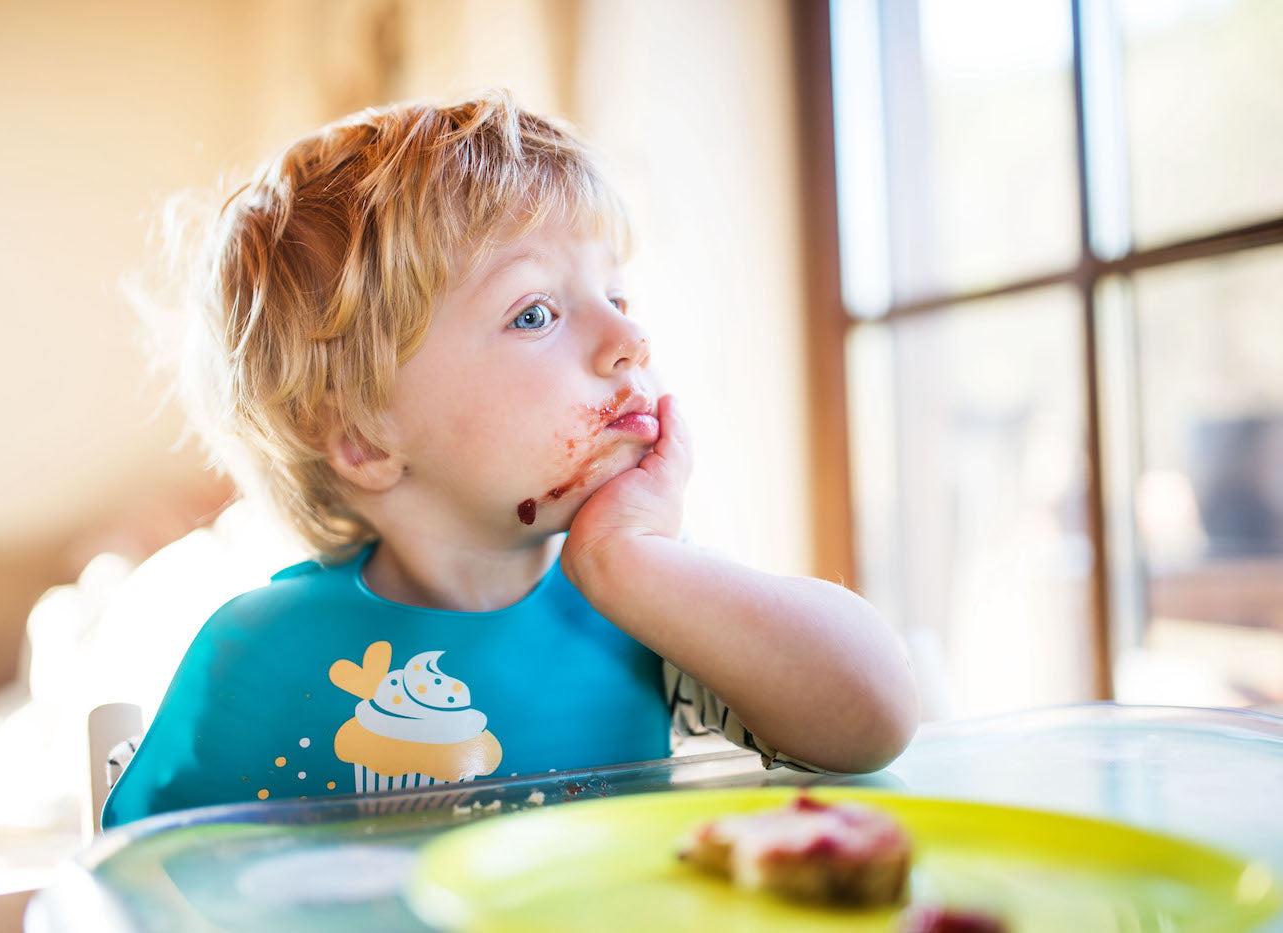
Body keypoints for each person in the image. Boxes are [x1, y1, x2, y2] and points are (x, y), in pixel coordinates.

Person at [102, 89, 918, 829]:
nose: (630, 340)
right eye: (535, 313)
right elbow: (136, 882)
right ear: (364, 439)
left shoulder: (644, 601)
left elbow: (874, 719)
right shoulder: (260, 656)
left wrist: (635, 564)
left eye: (618, 298)